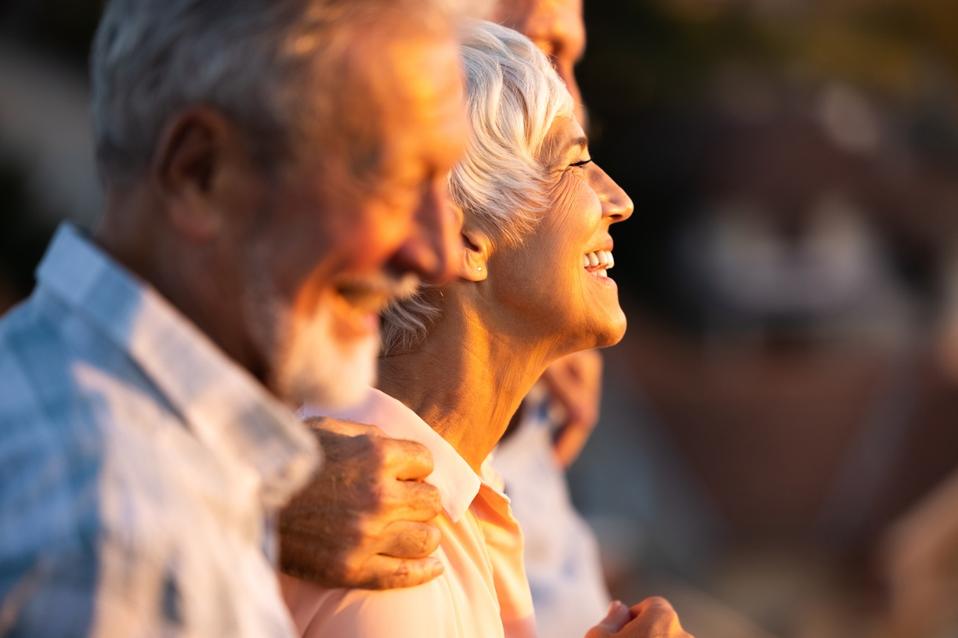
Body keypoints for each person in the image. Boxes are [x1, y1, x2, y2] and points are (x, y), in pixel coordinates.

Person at [0, 0, 468, 635]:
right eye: (393, 179)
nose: (438, 254)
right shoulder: (132, 538)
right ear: (201, 173)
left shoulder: (52, 391)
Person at [280, 20, 692, 638]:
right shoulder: (381, 540)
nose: (618, 197)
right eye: (575, 161)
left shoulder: (450, 502)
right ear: (460, 237)